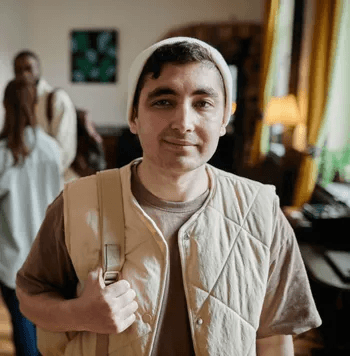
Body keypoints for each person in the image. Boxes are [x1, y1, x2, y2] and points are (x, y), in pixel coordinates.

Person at [16, 37, 321, 356]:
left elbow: (274, 338)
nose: (184, 123)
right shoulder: (77, 202)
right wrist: (79, 313)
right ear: (133, 116)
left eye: (203, 103)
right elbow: (30, 295)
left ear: (223, 121)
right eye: (164, 101)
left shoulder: (262, 212)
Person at [0, 78, 61, 355]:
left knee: (22, 324)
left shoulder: (3, 153)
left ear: (5, 106)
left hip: (12, 258)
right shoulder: (52, 149)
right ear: (35, 105)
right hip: (47, 255)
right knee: (45, 329)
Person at [13, 50, 77, 182]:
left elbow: (64, 151)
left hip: (55, 181)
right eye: (18, 70)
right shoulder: (15, 104)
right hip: (28, 181)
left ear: (38, 69)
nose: (24, 74)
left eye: (28, 68)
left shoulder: (56, 99)